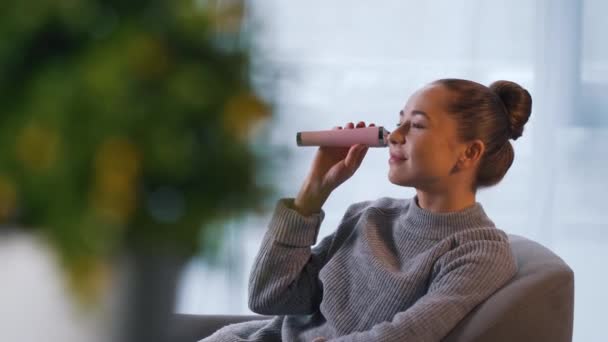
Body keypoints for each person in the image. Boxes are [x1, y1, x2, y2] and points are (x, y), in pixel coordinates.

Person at [201, 78, 532, 342]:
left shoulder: (480, 252)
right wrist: (312, 194)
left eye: (416, 126)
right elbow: (268, 298)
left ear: (469, 153)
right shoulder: (370, 216)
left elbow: (409, 333)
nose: (394, 136)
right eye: (398, 121)